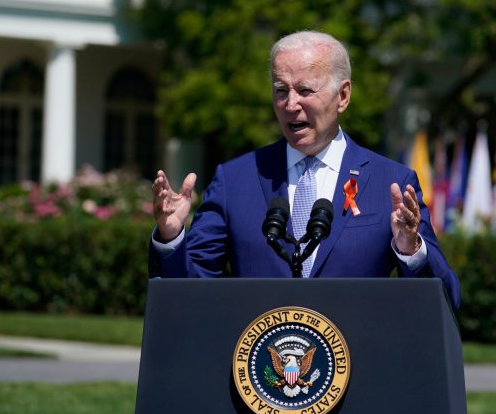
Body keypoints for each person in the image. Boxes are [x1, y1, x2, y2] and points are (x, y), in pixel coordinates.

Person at [149, 31, 461, 308]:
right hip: (258, 367)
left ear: (343, 96)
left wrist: (411, 250)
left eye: (305, 91)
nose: (290, 104)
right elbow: (188, 293)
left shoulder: (389, 183)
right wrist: (172, 237)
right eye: (281, 91)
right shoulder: (235, 180)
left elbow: (447, 297)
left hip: (357, 366)